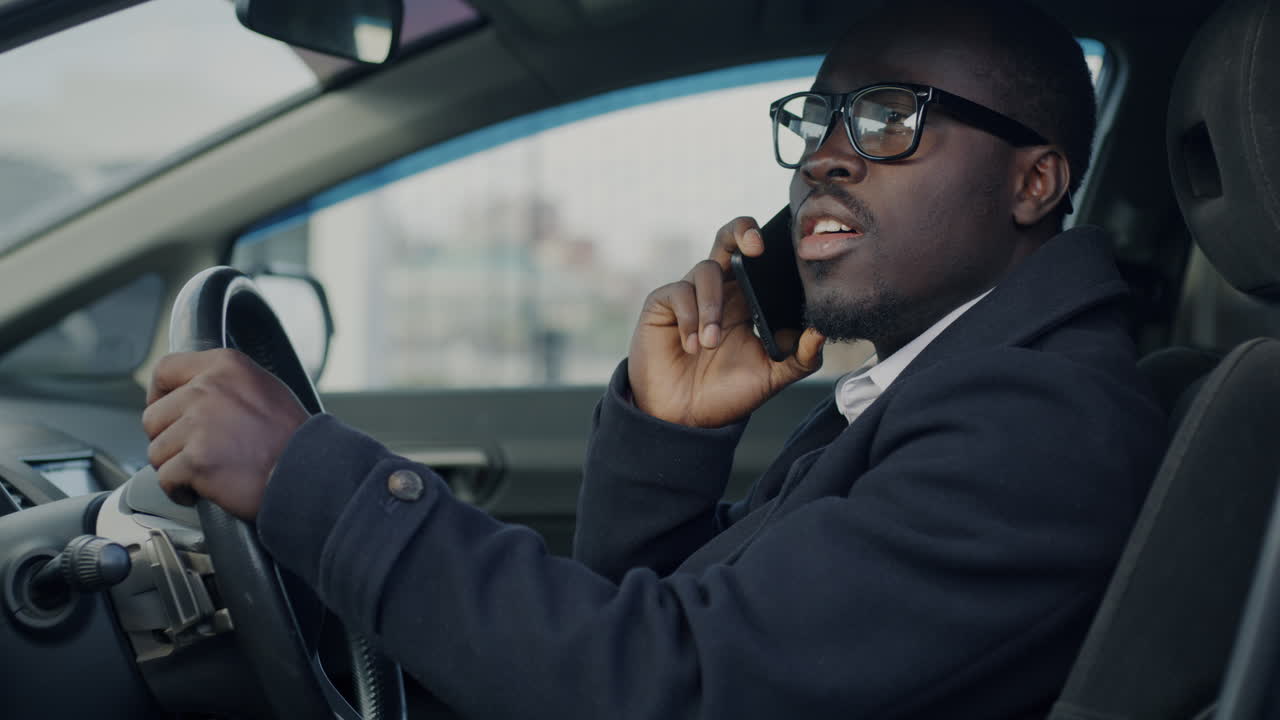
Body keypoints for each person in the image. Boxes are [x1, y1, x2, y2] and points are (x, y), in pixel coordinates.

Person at [142, 2, 1167, 717]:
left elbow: (662, 689)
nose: (824, 156)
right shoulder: (938, 387)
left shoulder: (1032, 426)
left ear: (1033, 183)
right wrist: (670, 438)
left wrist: (304, 475)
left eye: (888, 118)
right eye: (816, 119)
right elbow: (688, 638)